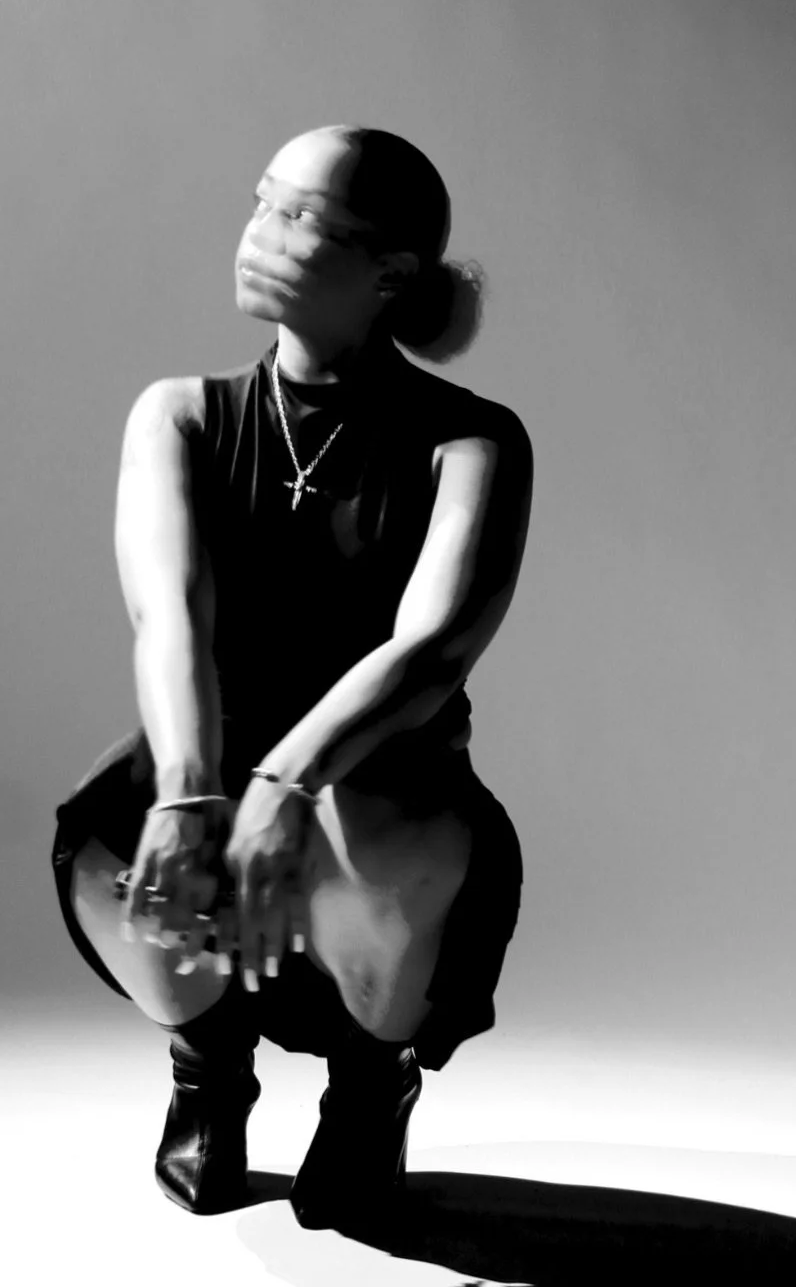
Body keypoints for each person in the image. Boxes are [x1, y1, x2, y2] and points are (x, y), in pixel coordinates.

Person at [50, 124, 533, 1231]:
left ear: (389, 275)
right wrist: (190, 790)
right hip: (211, 768)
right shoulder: (180, 413)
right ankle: (206, 1071)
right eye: (260, 201)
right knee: (117, 859)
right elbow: (166, 615)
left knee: (389, 844)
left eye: (298, 218)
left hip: (378, 782)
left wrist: (289, 784)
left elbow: (431, 647)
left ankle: (370, 1087)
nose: (257, 234)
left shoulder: (470, 444)